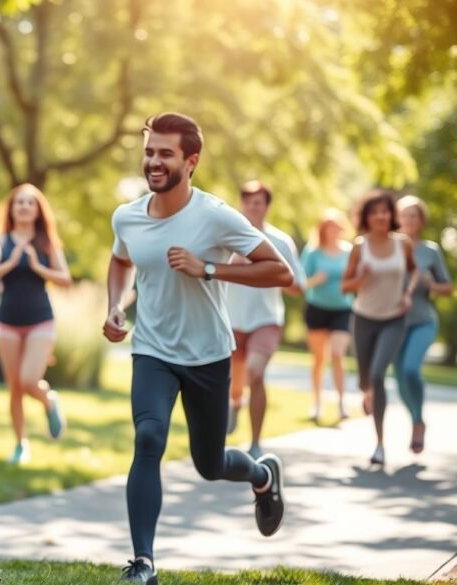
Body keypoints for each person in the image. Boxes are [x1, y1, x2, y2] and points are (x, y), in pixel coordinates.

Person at [103, 113, 292, 584]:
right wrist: (114, 306)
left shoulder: (215, 215)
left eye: (165, 153)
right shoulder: (127, 215)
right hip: (152, 350)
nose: (154, 161)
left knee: (210, 465)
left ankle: (262, 476)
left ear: (191, 161)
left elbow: (279, 271)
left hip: (208, 355)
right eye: (149, 152)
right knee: (148, 440)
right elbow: (120, 259)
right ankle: (143, 563)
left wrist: (208, 269)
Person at [0, 183, 72, 465]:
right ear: (11, 209)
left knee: (27, 381)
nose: (23, 207)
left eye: (30, 203)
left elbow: (65, 279)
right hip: (7, 322)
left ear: (38, 210)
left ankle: (49, 401)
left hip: (40, 320)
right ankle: (20, 445)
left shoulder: (46, 241)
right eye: (19, 202)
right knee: (14, 387)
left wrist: (39, 268)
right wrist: (10, 262)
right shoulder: (1, 239)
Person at [225, 181, 305, 458]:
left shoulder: (280, 242)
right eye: (247, 202)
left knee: (256, 374)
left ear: (267, 207)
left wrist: (269, 271)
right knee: (233, 381)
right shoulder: (227, 238)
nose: (252, 207)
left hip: (266, 320)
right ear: (241, 204)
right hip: (231, 320)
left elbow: (297, 287)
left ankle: (256, 441)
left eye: (258, 202)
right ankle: (235, 402)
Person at [341, 190, 417, 466]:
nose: (380, 216)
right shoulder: (359, 247)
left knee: (377, 374)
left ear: (391, 215)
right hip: (364, 318)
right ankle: (368, 391)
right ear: (367, 217)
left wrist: (407, 293)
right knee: (364, 379)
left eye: (385, 211)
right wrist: (360, 278)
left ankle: (380, 445)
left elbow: (413, 270)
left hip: (394, 319)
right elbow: (345, 286)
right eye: (374, 212)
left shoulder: (403, 244)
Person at [393, 195, 451, 453]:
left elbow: (448, 288)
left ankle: (417, 424)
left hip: (423, 321)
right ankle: (416, 419)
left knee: (410, 370)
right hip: (393, 323)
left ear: (421, 220)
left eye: (413, 216)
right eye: (404, 215)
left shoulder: (430, 250)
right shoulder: (389, 245)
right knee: (398, 379)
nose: (408, 220)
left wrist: (432, 284)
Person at [300, 209, 355, 422]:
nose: (332, 230)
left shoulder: (349, 252)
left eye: (336, 226)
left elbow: (357, 278)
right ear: (322, 229)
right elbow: (301, 283)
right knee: (319, 359)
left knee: (338, 354)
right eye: (328, 226)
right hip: (317, 308)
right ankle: (316, 403)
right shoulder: (312, 252)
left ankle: (341, 403)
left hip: (342, 309)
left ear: (342, 228)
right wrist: (317, 279)